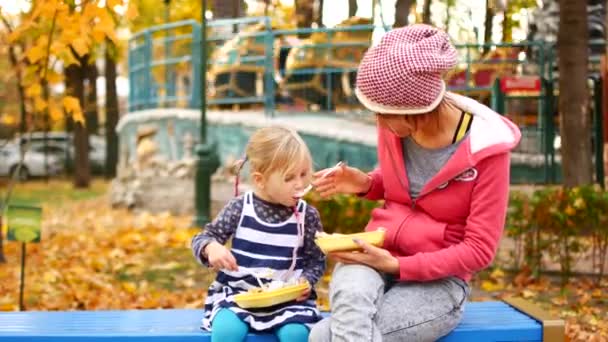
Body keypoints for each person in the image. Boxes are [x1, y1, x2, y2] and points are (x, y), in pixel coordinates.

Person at [309, 24, 522, 342]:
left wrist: (397, 265)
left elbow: (479, 250)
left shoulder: (486, 151)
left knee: (324, 336)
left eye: (382, 113)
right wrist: (365, 183)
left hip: (438, 282)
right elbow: (407, 192)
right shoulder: (397, 126)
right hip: (373, 253)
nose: (377, 122)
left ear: (417, 111)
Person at [191, 126, 326, 342]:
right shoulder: (240, 208)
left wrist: (306, 281)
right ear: (261, 180)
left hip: (289, 302)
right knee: (226, 332)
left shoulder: (307, 216)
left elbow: (316, 261)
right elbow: (203, 238)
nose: (300, 184)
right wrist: (211, 248)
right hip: (240, 297)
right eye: (289, 177)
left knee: (296, 336)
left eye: (303, 173)